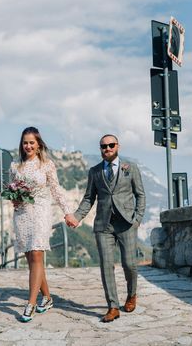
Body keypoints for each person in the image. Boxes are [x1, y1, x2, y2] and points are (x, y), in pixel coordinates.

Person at [66, 134, 146, 322]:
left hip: (127, 223)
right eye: (103, 146)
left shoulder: (130, 168)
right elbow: (88, 198)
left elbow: (140, 195)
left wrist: (137, 219)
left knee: (129, 264)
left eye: (110, 145)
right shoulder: (94, 172)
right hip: (103, 225)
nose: (107, 148)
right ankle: (112, 306)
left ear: (117, 146)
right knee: (106, 266)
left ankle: (131, 295)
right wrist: (77, 217)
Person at [9, 126, 76, 322]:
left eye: (31, 142)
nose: (28, 145)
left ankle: (30, 303)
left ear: (38, 145)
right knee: (32, 259)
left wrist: (68, 212)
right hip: (22, 214)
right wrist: (14, 199)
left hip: (40, 211)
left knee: (37, 253)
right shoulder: (15, 166)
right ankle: (47, 298)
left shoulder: (47, 165)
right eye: (25, 142)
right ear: (22, 145)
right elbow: (13, 190)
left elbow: (56, 190)